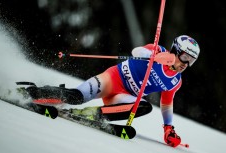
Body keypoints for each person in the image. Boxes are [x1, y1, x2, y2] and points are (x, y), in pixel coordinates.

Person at [26, 35, 200, 147]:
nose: (186, 64)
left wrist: (168, 128)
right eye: (185, 57)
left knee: (144, 106)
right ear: (176, 50)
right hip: (113, 79)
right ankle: (33, 92)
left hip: (123, 97)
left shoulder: (175, 81)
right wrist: (155, 57)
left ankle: (89, 114)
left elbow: (167, 103)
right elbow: (136, 51)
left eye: (191, 61)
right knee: (76, 96)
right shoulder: (159, 50)